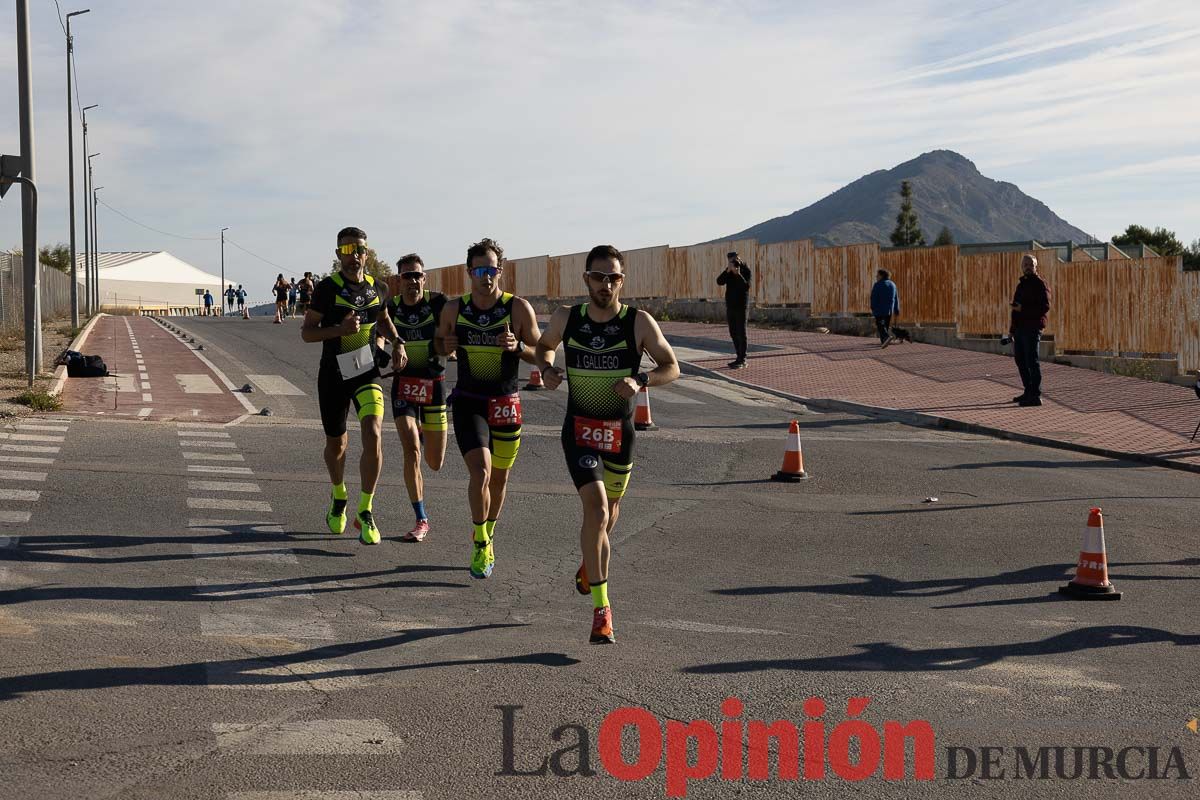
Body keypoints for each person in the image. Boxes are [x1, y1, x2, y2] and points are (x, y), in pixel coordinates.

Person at [535, 244, 680, 644]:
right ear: (586, 278)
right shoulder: (568, 318)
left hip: (620, 434)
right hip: (579, 429)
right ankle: (602, 610)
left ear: (622, 280)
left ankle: (588, 567)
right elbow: (543, 346)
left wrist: (642, 380)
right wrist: (547, 368)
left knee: (609, 514)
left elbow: (672, 367)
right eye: (599, 276)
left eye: (614, 277)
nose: (606, 284)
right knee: (596, 510)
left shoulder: (639, 322)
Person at [434, 237, 541, 579]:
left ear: (500, 270)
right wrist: (445, 344)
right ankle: (480, 540)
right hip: (469, 401)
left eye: (491, 269)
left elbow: (543, 353)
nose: (486, 276)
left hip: (506, 402)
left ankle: (489, 531)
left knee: (499, 478)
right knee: (480, 470)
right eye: (479, 270)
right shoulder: (455, 309)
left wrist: (518, 346)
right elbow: (438, 341)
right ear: (469, 273)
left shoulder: (518, 309)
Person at [301, 226, 405, 545]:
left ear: (367, 252)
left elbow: (383, 317)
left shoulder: (378, 287)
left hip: (365, 371)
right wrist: (340, 329)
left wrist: (398, 341)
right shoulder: (326, 289)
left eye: (358, 250)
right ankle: (339, 494)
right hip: (333, 375)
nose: (353, 256)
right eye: (346, 251)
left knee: (374, 432)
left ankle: (365, 509)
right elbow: (307, 332)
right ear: (338, 256)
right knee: (337, 445)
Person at [387, 254, 448, 542]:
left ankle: (425, 430)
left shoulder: (438, 303)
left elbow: (456, 329)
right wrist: (383, 353)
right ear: (399, 281)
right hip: (404, 387)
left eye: (417, 275)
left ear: (424, 278)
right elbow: (377, 336)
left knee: (434, 462)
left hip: (434, 386)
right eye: (407, 276)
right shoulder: (392, 308)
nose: (413, 281)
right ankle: (421, 518)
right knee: (412, 450)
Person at [1009, 253, 1051, 407]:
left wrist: (1023, 309)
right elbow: (1016, 308)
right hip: (1020, 329)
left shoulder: (1040, 284)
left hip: (1033, 328)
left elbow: (1045, 306)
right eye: (1025, 265)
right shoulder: (1021, 285)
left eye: (1030, 265)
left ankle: (1035, 395)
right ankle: (1028, 391)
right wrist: (1012, 330)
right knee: (1020, 360)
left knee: (1032, 361)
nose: (1027, 267)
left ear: (1035, 266)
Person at [717, 251, 752, 368]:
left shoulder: (745, 270)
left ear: (739, 258)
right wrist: (728, 271)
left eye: (734, 260)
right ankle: (738, 357)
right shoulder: (729, 272)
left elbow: (746, 286)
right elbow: (719, 281)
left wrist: (738, 274)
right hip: (730, 306)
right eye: (730, 260)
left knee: (741, 333)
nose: (733, 262)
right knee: (733, 333)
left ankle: (743, 359)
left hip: (741, 306)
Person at [871, 269, 900, 348]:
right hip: (889, 310)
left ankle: (886, 337)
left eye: (877, 275)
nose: (876, 277)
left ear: (881, 275)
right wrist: (896, 309)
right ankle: (884, 342)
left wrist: (873, 308)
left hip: (879, 309)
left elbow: (873, 297)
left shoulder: (877, 285)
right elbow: (896, 298)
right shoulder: (893, 284)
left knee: (880, 325)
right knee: (885, 326)